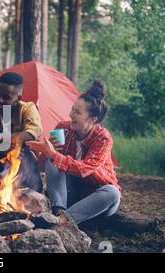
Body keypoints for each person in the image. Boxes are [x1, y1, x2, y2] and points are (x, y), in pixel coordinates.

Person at [26, 80, 121, 225]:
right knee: (53, 160)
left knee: (113, 192)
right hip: (70, 196)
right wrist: (45, 152)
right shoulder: (64, 128)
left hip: (97, 200)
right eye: (72, 109)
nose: (71, 115)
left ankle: (63, 220)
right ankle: (58, 212)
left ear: (92, 119)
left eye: (77, 112)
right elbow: (44, 167)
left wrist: (53, 154)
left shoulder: (103, 138)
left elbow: (85, 169)